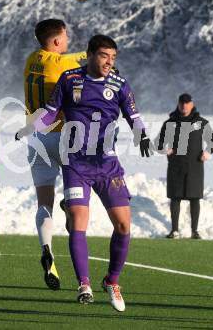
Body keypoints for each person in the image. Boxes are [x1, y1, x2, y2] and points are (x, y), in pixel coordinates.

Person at [17, 35, 150, 312]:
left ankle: (112, 281)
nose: (109, 62)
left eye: (113, 57)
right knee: (78, 218)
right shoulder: (69, 79)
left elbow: (134, 117)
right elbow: (51, 113)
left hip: (107, 163)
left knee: (124, 225)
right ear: (89, 55)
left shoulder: (120, 85)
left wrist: (143, 136)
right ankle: (84, 284)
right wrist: (31, 127)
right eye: (104, 56)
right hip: (75, 162)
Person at [22, 19, 87, 291]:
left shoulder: (31, 60)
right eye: (66, 35)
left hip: (36, 136)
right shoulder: (62, 65)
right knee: (79, 195)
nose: (68, 40)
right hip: (63, 135)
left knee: (43, 202)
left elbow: (70, 57)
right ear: (57, 41)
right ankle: (69, 208)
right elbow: (84, 62)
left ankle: (46, 247)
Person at [155, 93, 213, 239]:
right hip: (175, 166)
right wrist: (166, 150)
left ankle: (194, 231)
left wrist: (207, 153)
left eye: (187, 103)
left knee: (194, 198)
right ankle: (174, 230)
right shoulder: (170, 123)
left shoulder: (201, 123)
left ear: (192, 104)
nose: (184, 106)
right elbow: (158, 143)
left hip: (195, 166)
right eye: (182, 103)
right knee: (175, 198)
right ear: (178, 104)